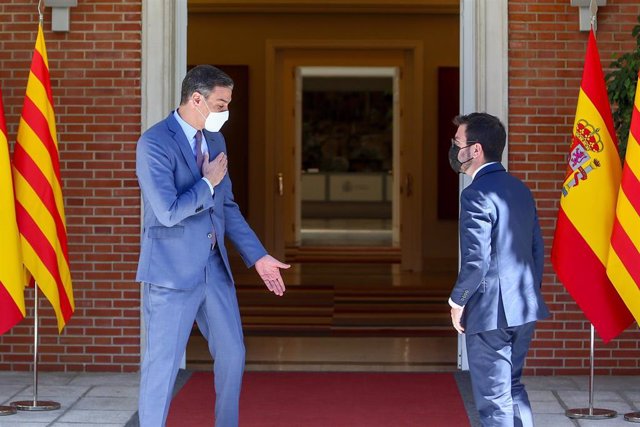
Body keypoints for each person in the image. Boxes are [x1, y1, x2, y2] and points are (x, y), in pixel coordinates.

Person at [135, 64, 290, 427]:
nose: (226, 112)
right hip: (171, 273)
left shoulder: (215, 140)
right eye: (221, 104)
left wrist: (258, 256)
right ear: (197, 99)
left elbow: (227, 207)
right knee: (162, 365)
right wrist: (206, 184)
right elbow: (168, 211)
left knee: (233, 354)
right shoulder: (154, 142)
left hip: (214, 268)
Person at [447, 113, 549, 426]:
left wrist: (457, 300)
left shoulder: (476, 194)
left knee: (494, 403)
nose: (454, 149)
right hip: (523, 306)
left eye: (458, 143)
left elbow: (477, 261)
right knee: (512, 387)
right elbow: (536, 251)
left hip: (491, 313)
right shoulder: (520, 189)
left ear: (475, 150)